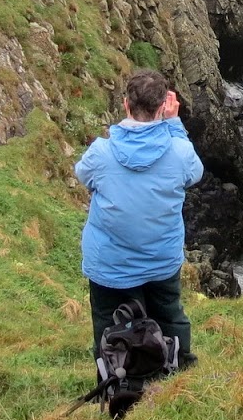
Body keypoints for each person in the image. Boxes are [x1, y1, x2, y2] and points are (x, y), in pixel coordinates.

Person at [76, 69, 203, 369]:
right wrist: (174, 124)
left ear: (125, 105)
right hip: (161, 260)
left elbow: (83, 175)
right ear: (163, 107)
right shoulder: (179, 151)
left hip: (111, 265)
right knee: (170, 315)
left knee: (109, 324)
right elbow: (194, 174)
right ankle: (179, 368)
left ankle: (115, 380)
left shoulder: (101, 153)